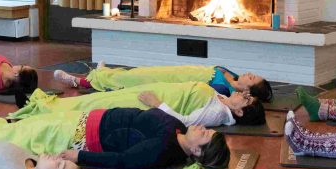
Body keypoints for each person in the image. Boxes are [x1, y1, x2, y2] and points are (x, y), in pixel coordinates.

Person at [0, 106, 232, 169]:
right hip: (82, 118)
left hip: (78, 134)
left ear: (197, 152)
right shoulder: (178, 128)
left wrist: (79, 156)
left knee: (16, 134)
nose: (203, 128)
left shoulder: (161, 150)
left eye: (206, 135)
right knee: (23, 126)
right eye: (208, 130)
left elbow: (122, 160)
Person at [10, 81, 266, 127]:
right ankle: (39, 104)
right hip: (154, 92)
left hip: (150, 103)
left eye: (246, 98)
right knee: (95, 99)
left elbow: (185, 122)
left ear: (239, 112)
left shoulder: (218, 114)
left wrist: (157, 103)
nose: (243, 93)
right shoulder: (222, 99)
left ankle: (37, 111)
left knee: (94, 106)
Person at [53, 63, 273, 103]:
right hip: (174, 70)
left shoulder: (223, 89)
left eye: (252, 78)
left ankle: (80, 81)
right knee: (135, 73)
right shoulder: (232, 74)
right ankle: (103, 73)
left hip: (170, 81)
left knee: (131, 80)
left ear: (248, 90)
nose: (249, 73)